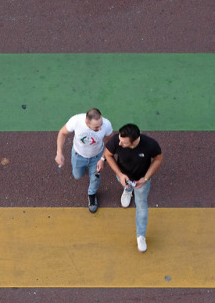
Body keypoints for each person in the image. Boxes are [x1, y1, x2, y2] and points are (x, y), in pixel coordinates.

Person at [104, 124, 163, 252]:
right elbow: (108, 154)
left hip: (141, 180)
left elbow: (158, 158)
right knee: (127, 186)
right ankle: (128, 190)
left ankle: (141, 235)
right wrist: (120, 175)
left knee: (141, 204)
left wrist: (146, 178)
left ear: (135, 141)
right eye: (119, 140)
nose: (119, 144)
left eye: (123, 142)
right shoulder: (116, 140)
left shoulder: (150, 144)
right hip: (123, 176)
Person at [55, 108, 113, 213]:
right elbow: (62, 133)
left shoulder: (106, 124)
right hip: (78, 155)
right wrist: (59, 153)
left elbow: (110, 140)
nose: (100, 128)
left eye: (101, 124)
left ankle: (92, 195)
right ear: (87, 123)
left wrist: (103, 159)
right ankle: (87, 171)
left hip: (96, 157)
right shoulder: (76, 121)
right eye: (96, 127)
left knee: (95, 178)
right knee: (77, 175)